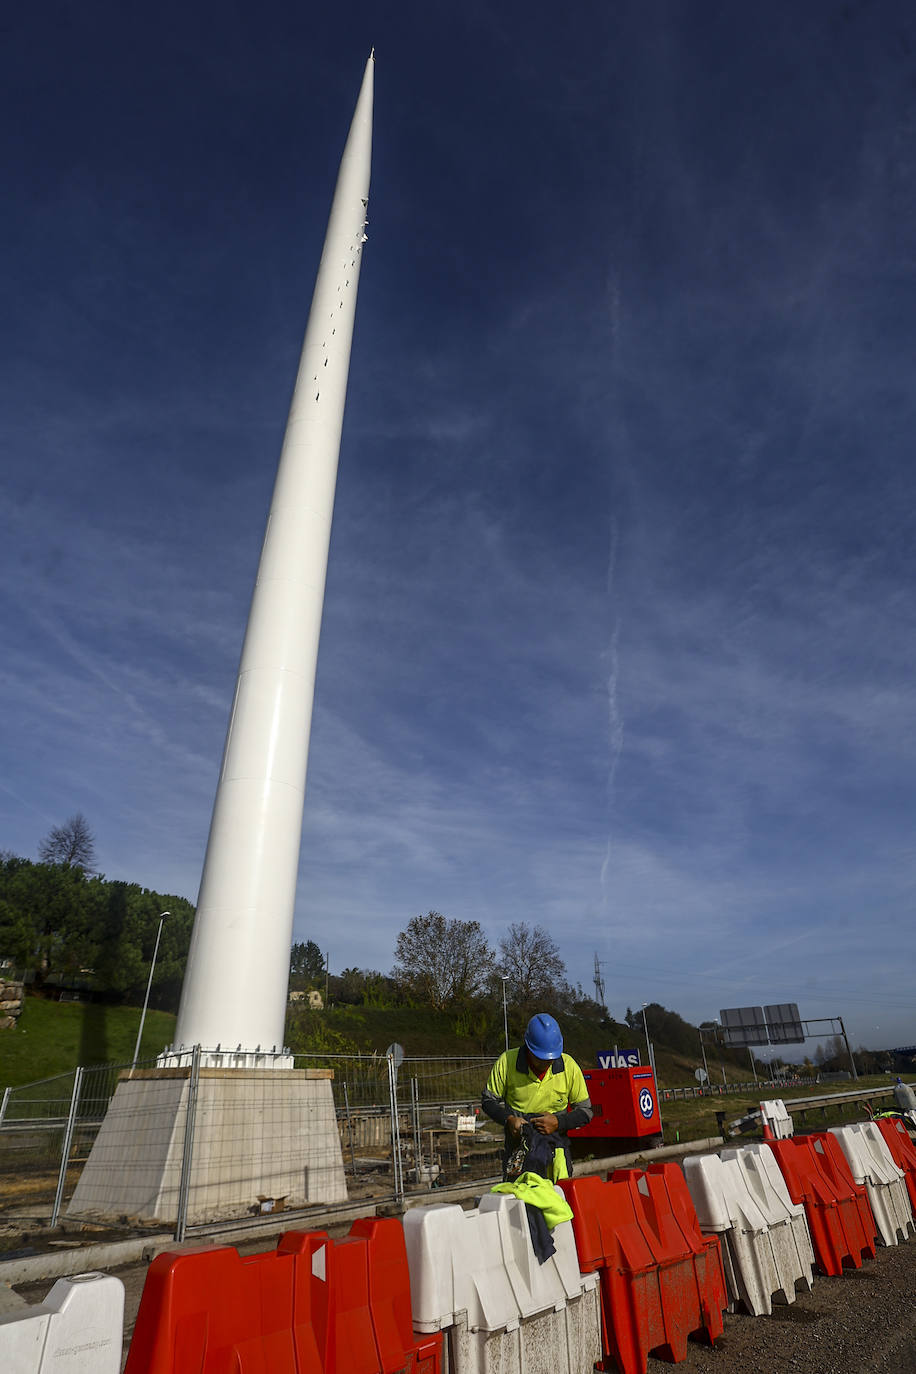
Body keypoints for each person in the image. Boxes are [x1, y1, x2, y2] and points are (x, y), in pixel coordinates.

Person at [481, 1012, 593, 1180]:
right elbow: (488, 1101)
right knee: (518, 1201)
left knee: (558, 1198)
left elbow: (586, 1111)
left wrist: (559, 1122)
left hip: (557, 1149)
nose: (546, 1063)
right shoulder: (507, 1062)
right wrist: (509, 1120)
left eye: (551, 1059)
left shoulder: (569, 1066)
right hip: (518, 1148)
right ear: (528, 1047)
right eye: (540, 1058)